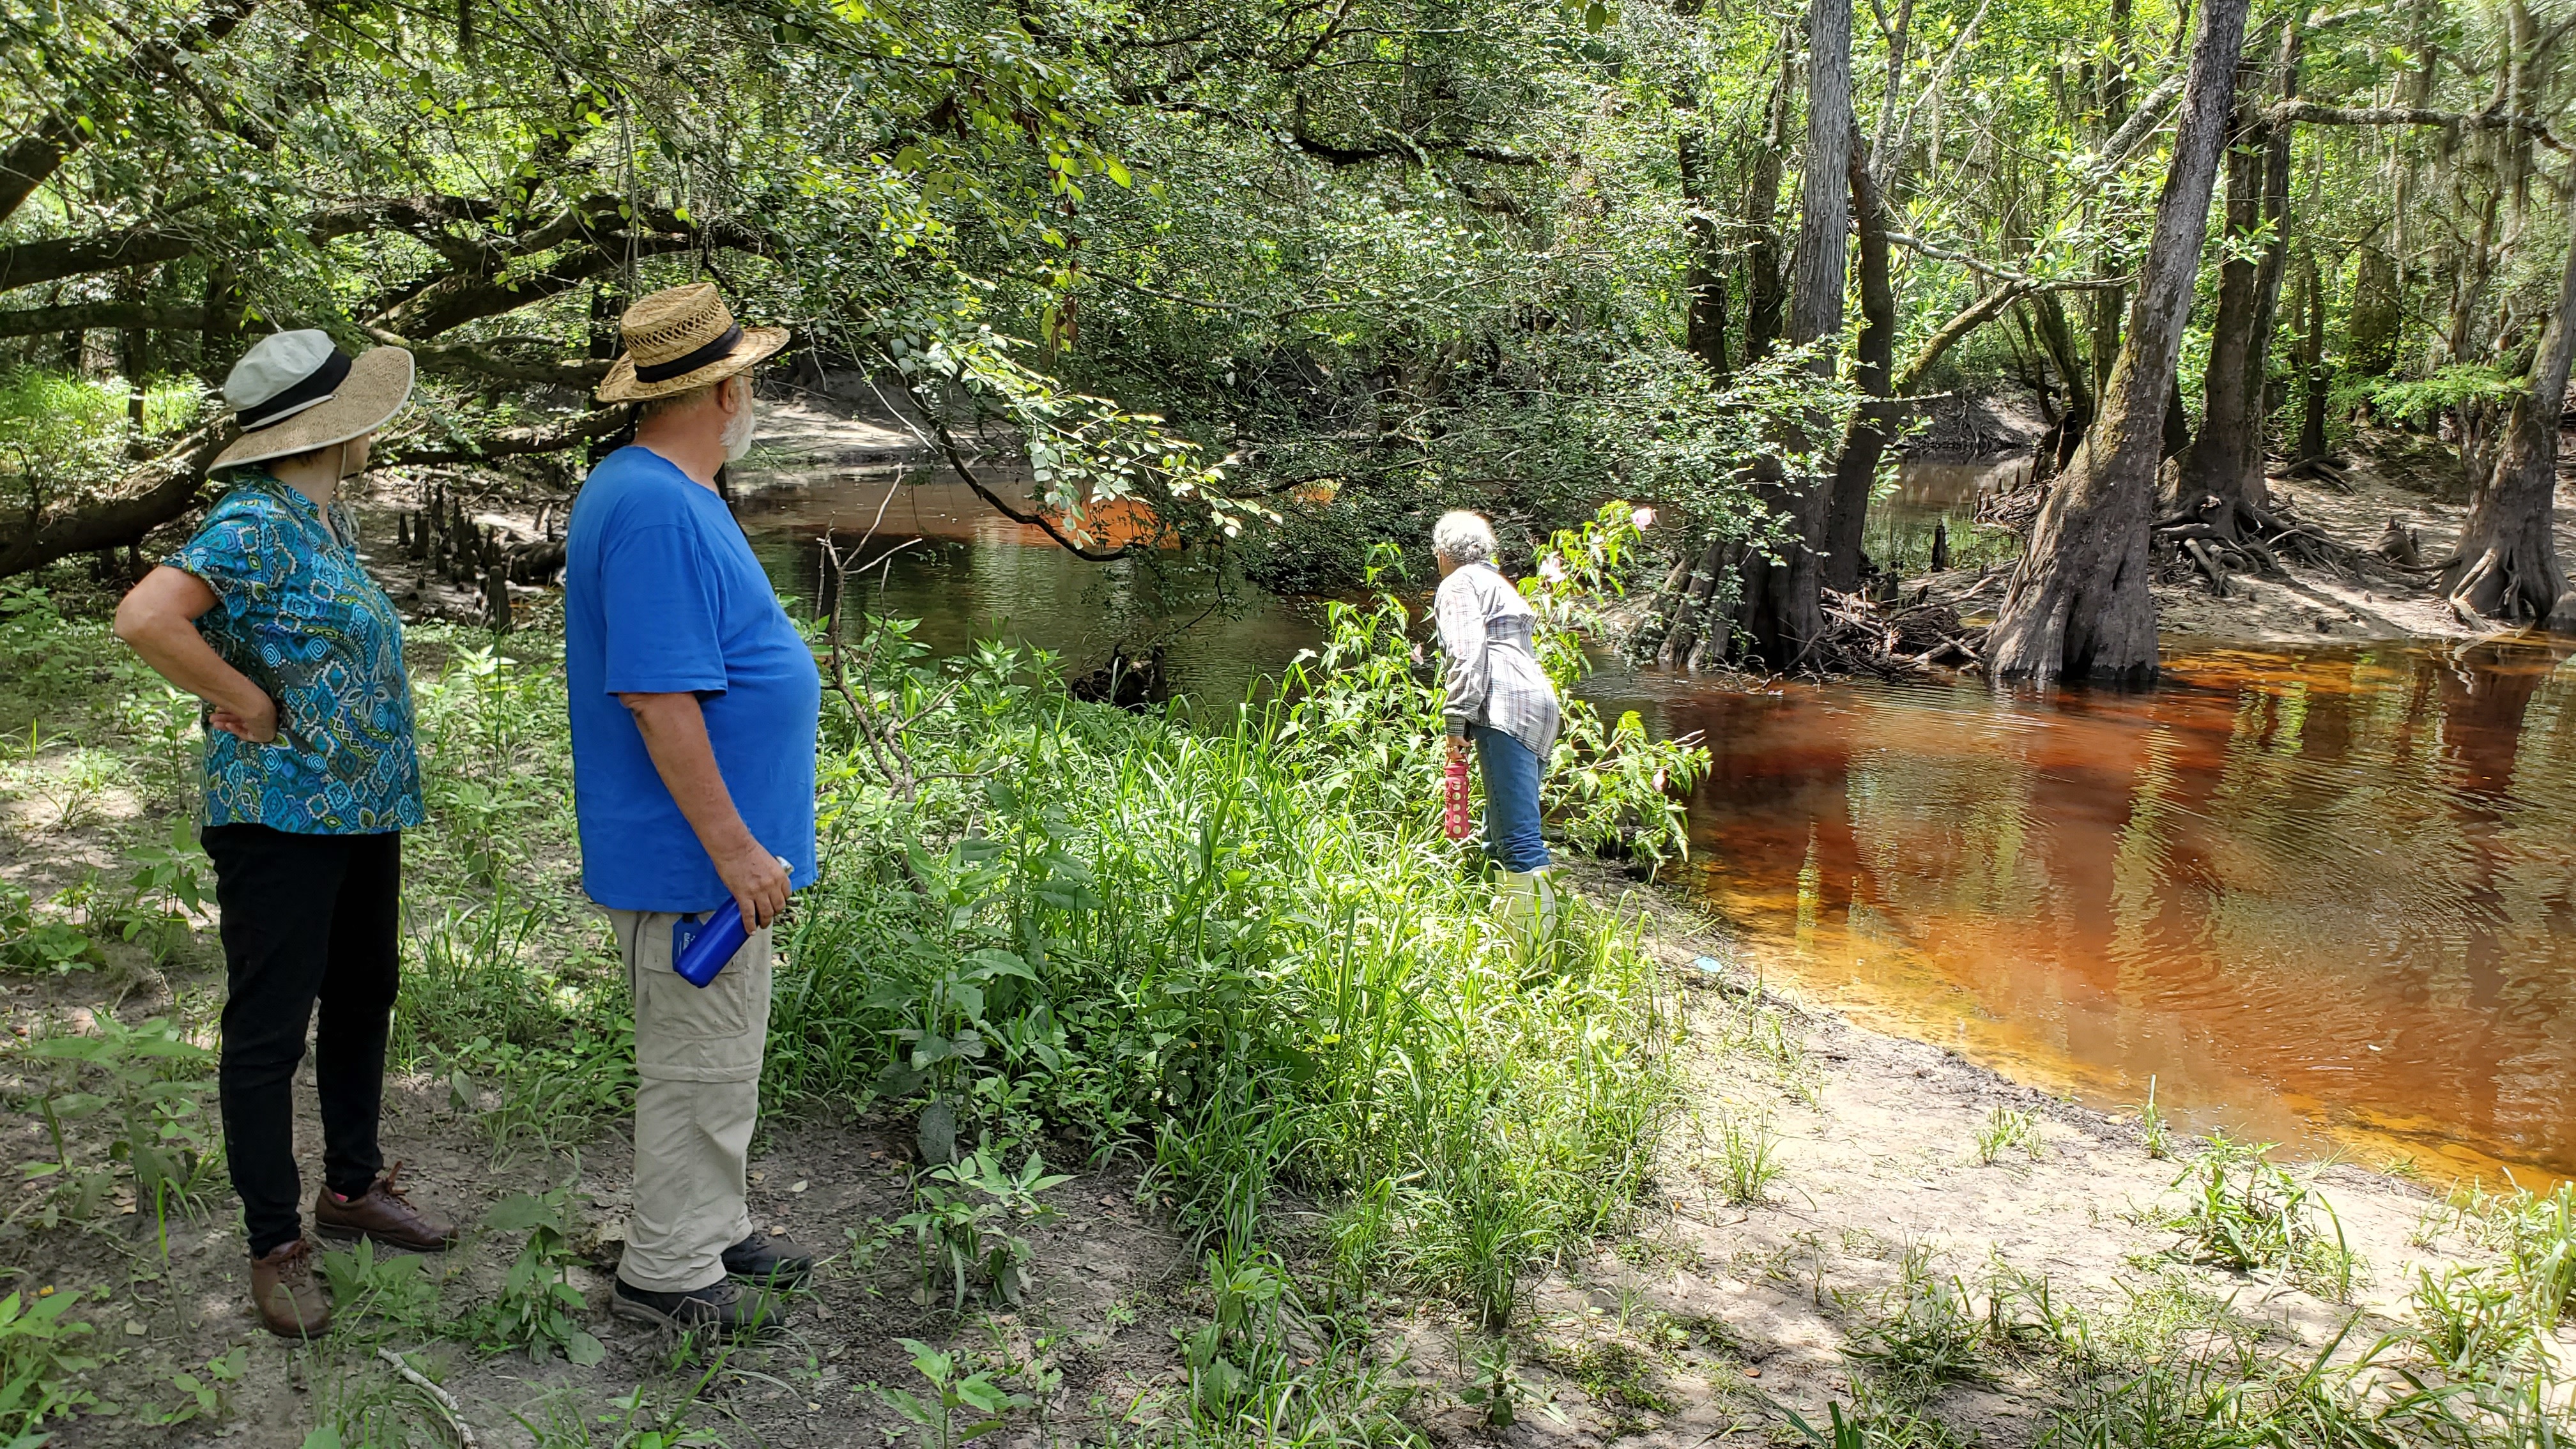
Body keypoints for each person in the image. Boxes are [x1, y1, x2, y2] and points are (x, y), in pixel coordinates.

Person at [113, 330, 459, 1340]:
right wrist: (244, 700)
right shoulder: (252, 523)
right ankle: (275, 1246)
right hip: (278, 819)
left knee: (363, 994)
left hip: (358, 808)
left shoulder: (321, 519)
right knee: (269, 1034)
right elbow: (144, 618)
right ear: (331, 428)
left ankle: (351, 1189)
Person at [564, 282, 818, 1333]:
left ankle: (708, 1225)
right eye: (747, 375)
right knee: (697, 1060)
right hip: (694, 865)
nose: (751, 390)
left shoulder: (665, 490)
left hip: (713, 861)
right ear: (724, 388)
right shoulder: (655, 506)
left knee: (723, 1055)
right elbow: (658, 698)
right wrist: (735, 847)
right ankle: (665, 1271)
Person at [1432, 510, 1562, 937]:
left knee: (1519, 839)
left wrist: (1456, 724)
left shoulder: (1458, 583)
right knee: (1501, 832)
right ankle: (1501, 939)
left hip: (1505, 705)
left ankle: (1533, 957)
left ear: (1442, 554)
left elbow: (1468, 656)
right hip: (1540, 703)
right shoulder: (1496, 583)